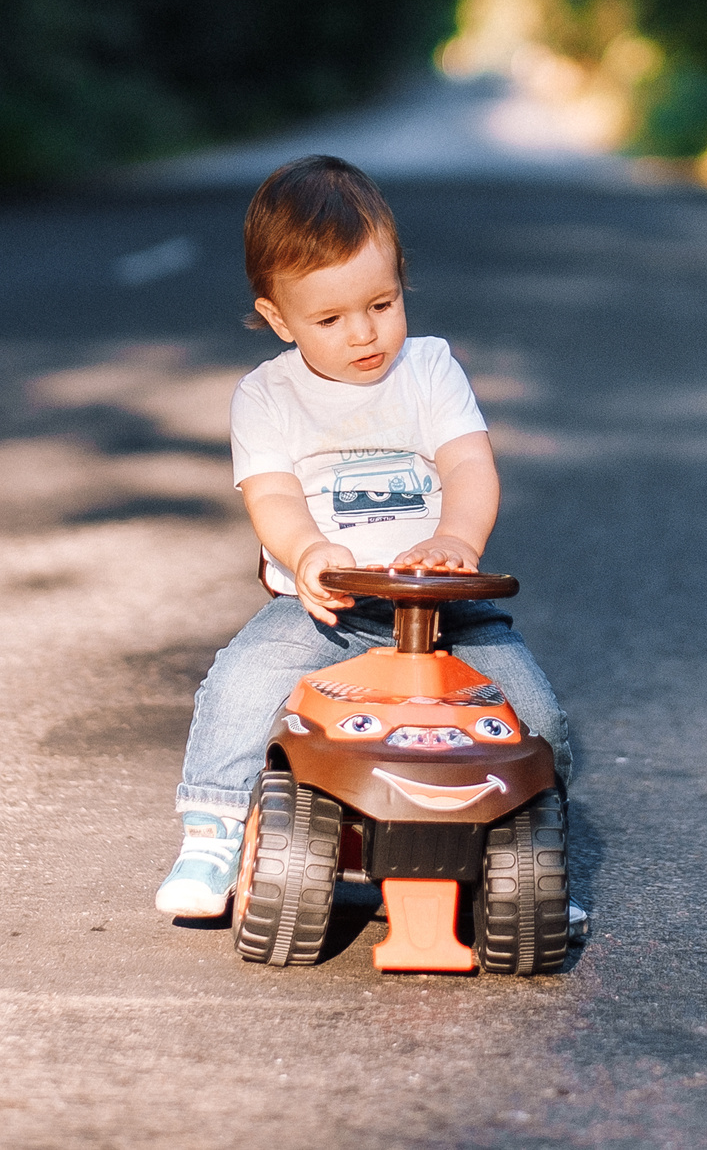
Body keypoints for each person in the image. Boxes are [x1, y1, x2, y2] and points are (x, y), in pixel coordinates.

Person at [156, 155, 572, 919]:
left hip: (444, 606)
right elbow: (271, 492)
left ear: (401, 279)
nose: (364, 334)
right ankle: (213, 828)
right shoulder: (268, 396)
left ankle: (534, 855)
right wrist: (310, 550)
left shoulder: (430, 368)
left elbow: (469, 463)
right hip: (329, 612)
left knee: (529, 708)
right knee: (245, 677)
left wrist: (455, 535)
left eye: (381, 303)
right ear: (280, 319)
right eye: (330, 319)